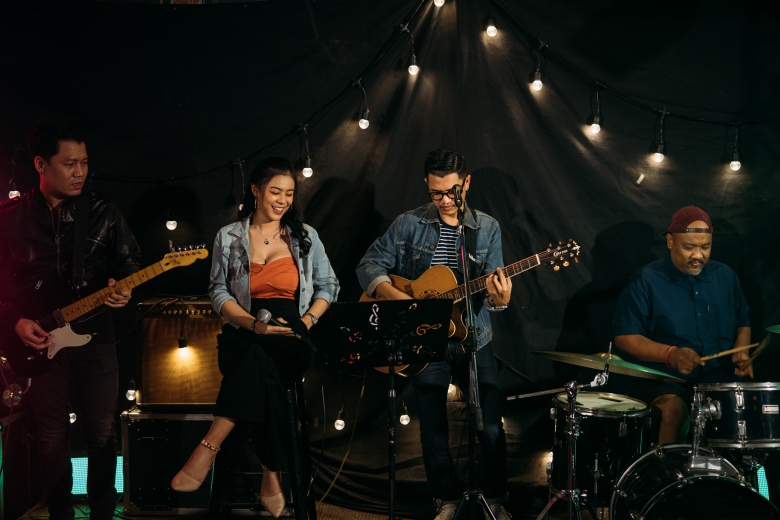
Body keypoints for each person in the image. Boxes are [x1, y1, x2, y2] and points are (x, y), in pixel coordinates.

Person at [171, 157, 339, 517]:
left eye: (289, 194)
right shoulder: (228, 236)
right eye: (275, 191)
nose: (282, 200)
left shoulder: (306, 237)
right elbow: (219, 293)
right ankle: (271, 471)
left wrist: (307, 322)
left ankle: (208, 447)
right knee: (258, 359)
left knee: (259, 358)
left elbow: (329, 286)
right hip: (245, 332)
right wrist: (253, 325)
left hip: (293, 335)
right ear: (256, 190)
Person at [356, 148, 512, 520]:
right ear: (427, 185)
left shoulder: (486, 228)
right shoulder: (408, 223)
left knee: (490, 426)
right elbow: (369, 264)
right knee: (432, 431)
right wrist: (398, 299)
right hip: (425, 340)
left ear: (467, 183)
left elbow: (494, 289)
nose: (445, 201)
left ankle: (496, 498)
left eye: (453, 191)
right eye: (436, 193)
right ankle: (445, 499)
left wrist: (500, 300)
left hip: (474, 338)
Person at [0, 115, 141, 520]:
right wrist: (14, 322)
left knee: (102, 433)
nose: (80, 172)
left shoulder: (103, 209)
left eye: (84, 162)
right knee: (49, 437)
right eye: (69, 163)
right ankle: (59, 513)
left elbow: (131, 260)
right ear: (41, 165)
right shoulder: (9, 217)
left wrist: (125, 285)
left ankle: (102, 513)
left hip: (96, 335)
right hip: (38, 340)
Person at [612, 205, 752, 444]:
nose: (698, 255)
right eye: (689, 247)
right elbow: (626, 336)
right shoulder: (645, 280)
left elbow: (742, 322)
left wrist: (741, 351)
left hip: (718, 380)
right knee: (675, 412)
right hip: (664, 380)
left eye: (705, 247)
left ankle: (743, 479)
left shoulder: (725, 276)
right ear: (670, 242)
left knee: (754, 412)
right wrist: (670, 355)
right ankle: (670, 477)